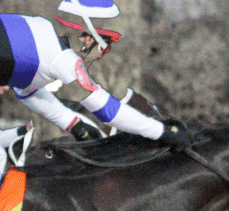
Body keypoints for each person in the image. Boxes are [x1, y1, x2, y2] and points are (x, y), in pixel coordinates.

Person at [0, 1, 189, 145]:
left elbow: (27, 90)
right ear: (89, 38)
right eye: (106, 46)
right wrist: (160, 131)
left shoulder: (40, 25)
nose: (102, 55)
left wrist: (72, 123)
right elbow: (108, 110)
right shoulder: (64, 61)